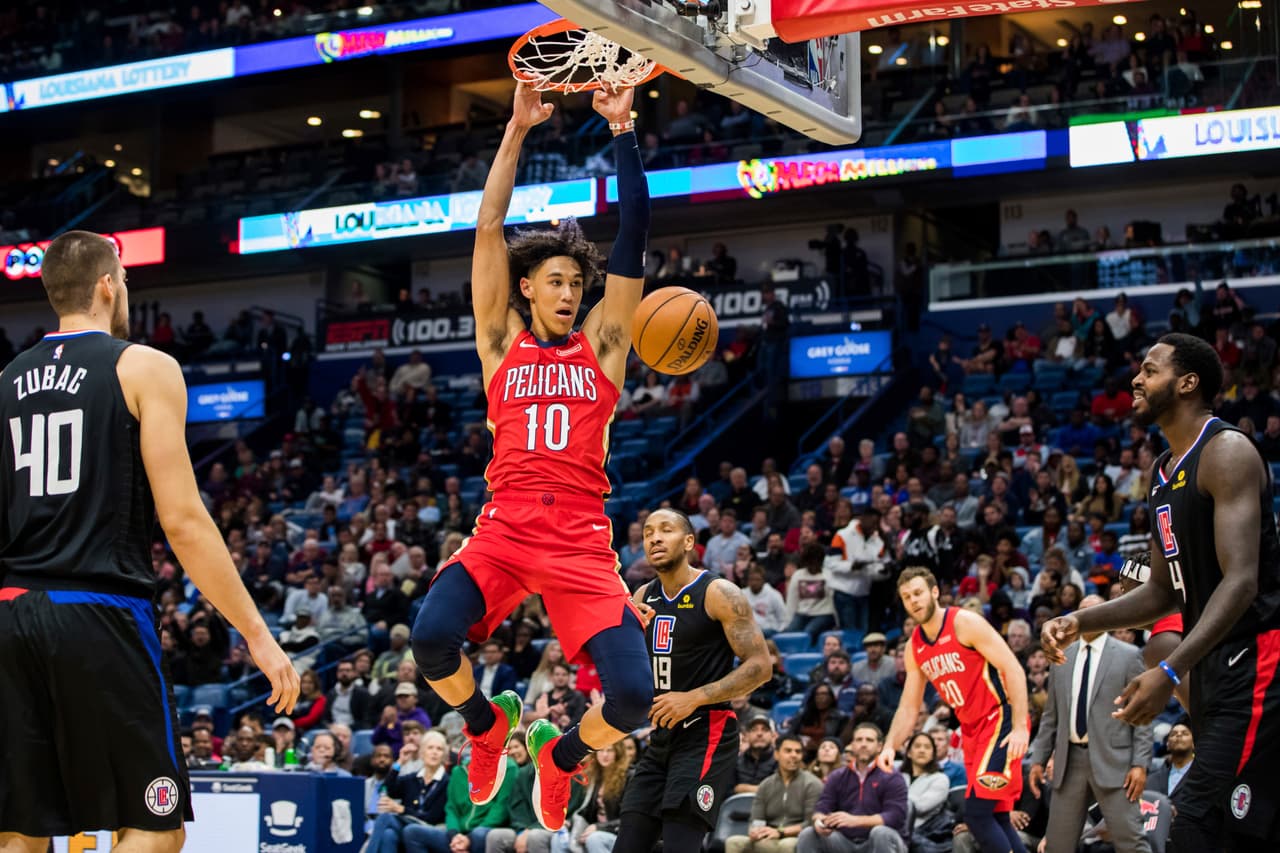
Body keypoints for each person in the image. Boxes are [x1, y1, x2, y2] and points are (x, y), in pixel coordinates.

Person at [0, 231, 298, 850]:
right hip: (98, 612)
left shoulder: (4, 381)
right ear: (108, 285)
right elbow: (183, 521)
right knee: (155, 826)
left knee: (20, 830)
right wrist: (257, 634)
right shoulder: (143, 366)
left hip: (10, 615)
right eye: (126, 281)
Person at [410, 83, 655, 833]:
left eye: (578, 285)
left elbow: (632, 239)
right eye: (557, 281)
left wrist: (623, 134)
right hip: (506, 529)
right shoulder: (500, 344)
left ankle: (560, 757)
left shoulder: (604, 349)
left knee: (633, 699)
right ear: (527, 287)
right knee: (428, 639)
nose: (571, 293)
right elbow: (488, 225)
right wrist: (515, 128)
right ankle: (486, 726)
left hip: (580, 538)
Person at [1042, 333, 1280, 848]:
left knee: (1195, 820)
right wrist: (1081, 621)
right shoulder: (1160, 471)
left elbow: (1242, 582)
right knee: (1240, 822)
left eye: (1150, 370)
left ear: (1188, 382)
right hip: (1219, 668)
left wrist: (1170, 671)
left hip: (1257, 658)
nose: (1136, 379)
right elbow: (1161, 591)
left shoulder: (1227, 452)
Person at [613, 508, 772, 853]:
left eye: (665, 530)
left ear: (688, 542)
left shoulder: (718, 592)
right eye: (648, 532)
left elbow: (761, 666)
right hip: (661, 736)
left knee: (679, 843)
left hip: (707, 729)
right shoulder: (641, 597)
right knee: (627, 841)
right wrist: (629, 632)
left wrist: (694, 697)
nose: (654, 538)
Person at [878, 568, 1030, 853]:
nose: (913, 601)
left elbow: (1013, 669)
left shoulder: (965, 623)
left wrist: (1020, 726)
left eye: (918, 593)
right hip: (971, 731)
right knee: (997, 816)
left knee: (977, 816)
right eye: (907, 597)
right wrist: (890, 745)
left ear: (934, 592)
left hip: (1000, 720)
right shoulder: (914, 647)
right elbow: (909, 707)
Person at [1028, 594, 1152, 853]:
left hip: (1114, 760)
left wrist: (1140, 764)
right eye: (1083, 611)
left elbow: (1142, 715)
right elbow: (1051, 715)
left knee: (1132, 842)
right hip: (1069, 759)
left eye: (1095, 611)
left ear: (1107, 615)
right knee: (1057, 846)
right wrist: (1038, 759)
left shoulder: (1129, 656)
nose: (1088, 616)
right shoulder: (1061, 657)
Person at [798, 723, 909, 853]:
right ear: (852, 745)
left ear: (879, 747)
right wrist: (819, 821)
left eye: (869, 740)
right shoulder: (838, 776)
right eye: (859, 740)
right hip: (845, 841)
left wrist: (855, 820)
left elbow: (895, 816)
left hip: (882, 840)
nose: (863, 744)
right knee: (808, 834)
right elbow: (822, 807)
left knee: (880, 833)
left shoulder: (892, 775)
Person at [725, 734, 823, 853]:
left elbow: (811, 823)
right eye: (788, 751)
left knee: (786, 845)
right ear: (776, 754)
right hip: (770, 835)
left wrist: (781, 832)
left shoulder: (812, 784)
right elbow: (756, 818)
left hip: (797, 837)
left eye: (798, 752)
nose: (794, 755)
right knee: (734, 842)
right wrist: (756, 831)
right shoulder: (766, 785)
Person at [1145, 722, 1194, 797]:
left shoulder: (1204, 776)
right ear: (1167, 745)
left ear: (1193, 744)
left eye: (1185, 733)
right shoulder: (1151, 781)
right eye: (1173, 734)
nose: (1179, 735)